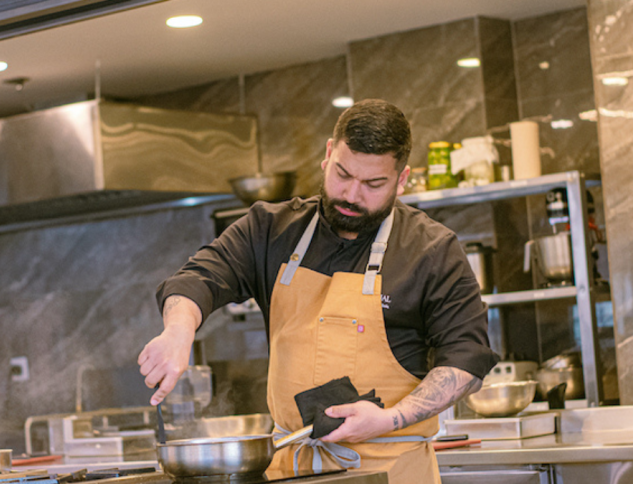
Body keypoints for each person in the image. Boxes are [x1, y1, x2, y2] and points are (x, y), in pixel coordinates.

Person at [138, 99, 498, 483]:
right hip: (291, 471)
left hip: (390, 470)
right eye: (343, 174)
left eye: (374, 184)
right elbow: (200, 277)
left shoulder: (432, 250)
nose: (352, 195)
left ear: (402, 178)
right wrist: (178, 330)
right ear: (328, 154)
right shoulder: (270, 230)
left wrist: (390, 418)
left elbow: (465, 360)